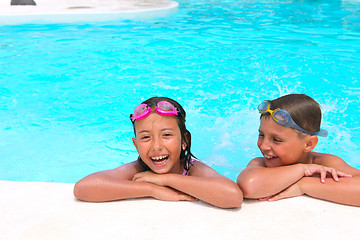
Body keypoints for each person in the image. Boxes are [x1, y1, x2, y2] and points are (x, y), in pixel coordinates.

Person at [74, 96, 243, 208]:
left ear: (184, 140)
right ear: (136, 145)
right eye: (146, 137)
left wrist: (165, 179)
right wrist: (152, 189)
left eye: (167, 135)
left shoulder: (193, 169)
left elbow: (233, 196)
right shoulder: (139, 170)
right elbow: (83, 188)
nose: (156, 146)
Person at [237, 94, 360, 207]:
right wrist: (303, 169)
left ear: (308, 144)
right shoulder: (260, 164)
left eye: (276, 140)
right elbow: (248, 186)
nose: (264, 146)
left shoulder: (326, 163)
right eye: (261, 135)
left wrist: (302, 185)